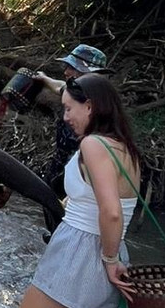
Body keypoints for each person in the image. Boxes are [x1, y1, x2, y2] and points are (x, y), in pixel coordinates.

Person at [6, 72, 140, 308]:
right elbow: (119, 214)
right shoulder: (126, 148)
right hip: (112, 253)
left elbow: (110, 210)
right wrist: (113, 260)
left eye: (69, 109)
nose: (65, 117)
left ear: (91, 106)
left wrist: (108, 262)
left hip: (81, 254)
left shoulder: (94, 145)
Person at [34, 44, 113, 198]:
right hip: (58, 174)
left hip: (78, 182)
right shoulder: (74, 91)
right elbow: (60, 87)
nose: (66, 72)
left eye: (72, 67)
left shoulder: (101, 109)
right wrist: (44, 78)